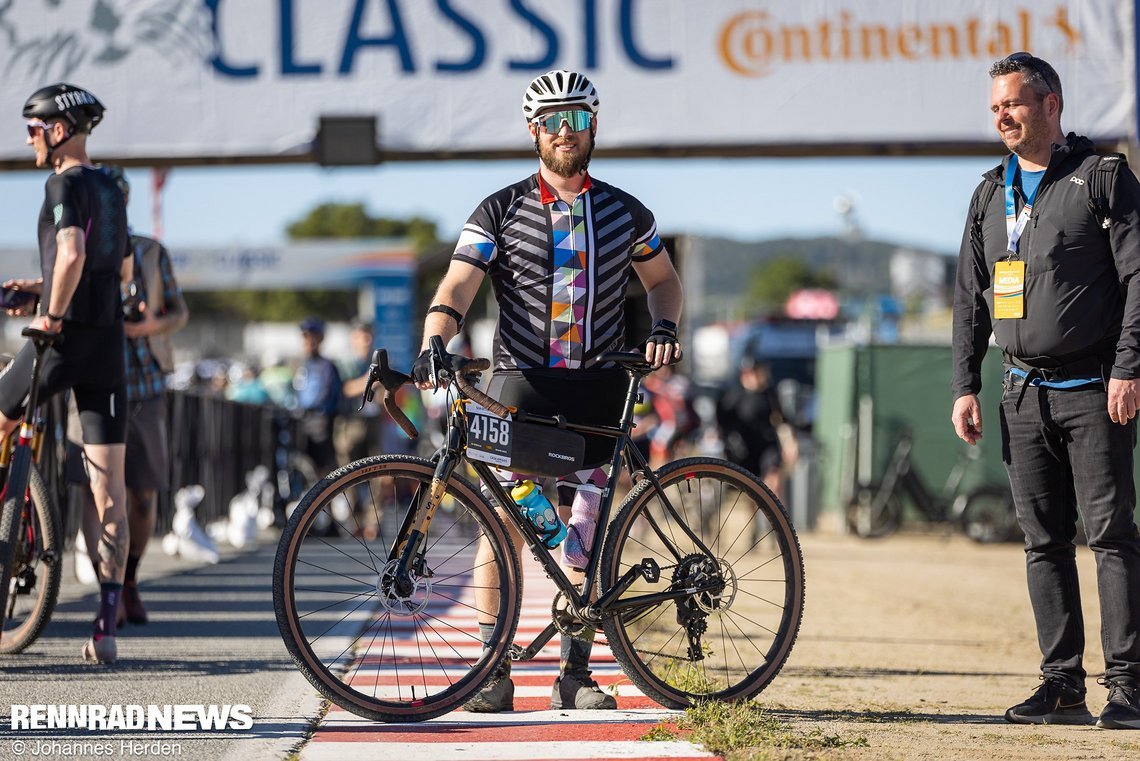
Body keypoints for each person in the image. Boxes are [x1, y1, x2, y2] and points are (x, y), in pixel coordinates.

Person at [412, 69, 683, 712]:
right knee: (502, 520)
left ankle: (576, 675)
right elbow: (457, 285)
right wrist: (435, 337)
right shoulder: (498, 210)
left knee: (587, 523)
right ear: (533, 130)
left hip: (597, 387)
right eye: (553, 120)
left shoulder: (626, 211)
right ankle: (492, 671)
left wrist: (666, 324)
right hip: (518, 387)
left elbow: (663, 282)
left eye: (578, 118)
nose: (566, 131)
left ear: (594, 126)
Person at [951, 52, 1140, 730]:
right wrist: (964, 384)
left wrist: (1129, 366)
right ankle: (1061, 685)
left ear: (1050, 104)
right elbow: (971, 296)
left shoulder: (1102, 178)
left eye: (1015, 103)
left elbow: (1139, 276)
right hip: (1021, 393)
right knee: (1043, 541)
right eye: (996, 106)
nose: (1003, 115)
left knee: (1112, 535)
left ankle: (1130, 689)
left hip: (1096, 388)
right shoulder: (987, 193)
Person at [0, 83, 129, 664]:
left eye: (33, 127)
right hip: (108, 344)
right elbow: (116, 266)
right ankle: (105, 626)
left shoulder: (63, 182)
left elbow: (72, 252)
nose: (27, 136)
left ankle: (13, 520)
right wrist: (39, 286)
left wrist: (49, 312)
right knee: (110, 488)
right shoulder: (113, 186)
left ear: (58, 130)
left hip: (63, 338)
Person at [70, 164, 188, 628]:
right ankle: (108, 591)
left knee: (142, 493)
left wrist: (148, 324)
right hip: (92, 381)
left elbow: (179, 312)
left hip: (145, 385)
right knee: (90, 491)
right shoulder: (74, 247)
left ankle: (131, 578)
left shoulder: (152, 253)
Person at [716, 356, 785, 499]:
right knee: (752, 491)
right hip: (745, 449)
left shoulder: (770, 394)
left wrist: (789, 442)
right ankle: (759, 520)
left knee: (772, 483)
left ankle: (776, 517)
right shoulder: (734, 395)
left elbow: (782, 420)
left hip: (767, 446)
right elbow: (721, 420)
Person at [293, 317, 342, 477]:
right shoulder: (303, 365)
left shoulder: (327, 366)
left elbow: (326, 394)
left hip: (320, 422)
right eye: (305, 337)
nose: (308, 341)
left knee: (324, 470)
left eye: (312, 337)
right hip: (302, 421)